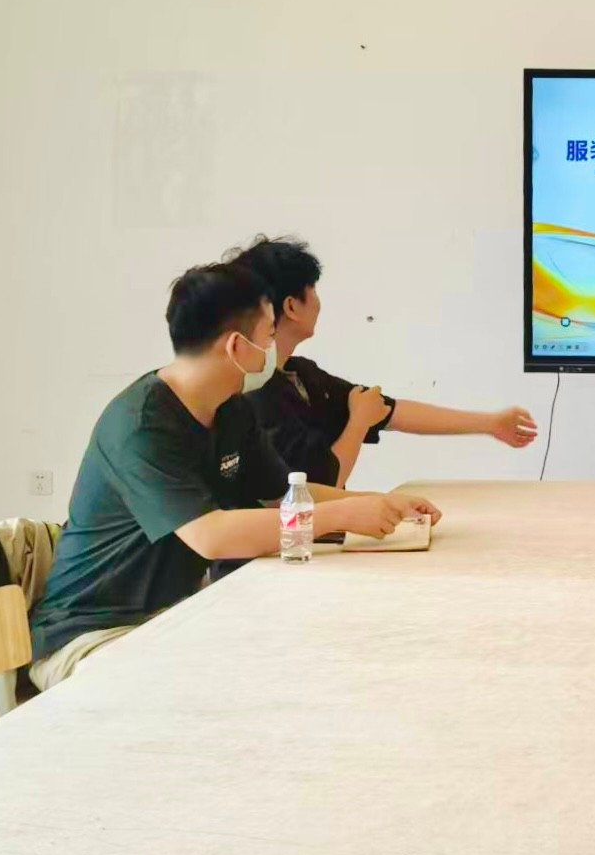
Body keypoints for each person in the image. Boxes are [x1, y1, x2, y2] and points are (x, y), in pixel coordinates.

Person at [28, 263, 441, 690]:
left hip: (173, 619)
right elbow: (211, 535)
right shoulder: (142, 425)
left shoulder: (231, 408)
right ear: (237, 347)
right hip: (91, 636)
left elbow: (285, 494)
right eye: (268, 335)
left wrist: (380, 504)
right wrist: (342, 516)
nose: (272, 350)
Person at [227, 236, 538, 487]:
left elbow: (391, 411)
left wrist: (492, 423)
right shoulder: (254, 394)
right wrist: (358, 422)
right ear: (292, 306)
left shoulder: (304, 375)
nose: (319, 302)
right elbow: (319, 486)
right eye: (313, 290)